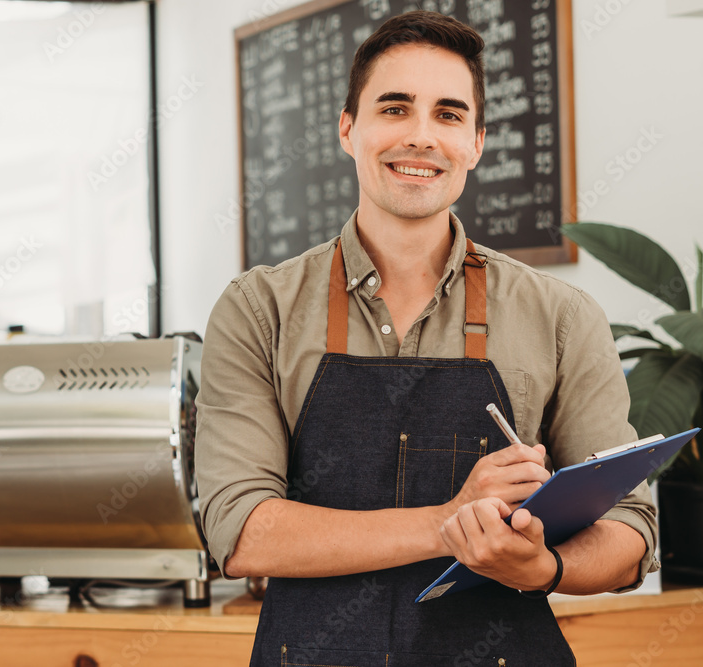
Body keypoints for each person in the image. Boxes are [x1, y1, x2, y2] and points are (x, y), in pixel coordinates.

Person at [195, 11, 657, 666]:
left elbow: (630, 531)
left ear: (475, 142)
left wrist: (542, 564)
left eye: (447, 114)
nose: (421, 136)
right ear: (348, 130)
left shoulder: (562, 316)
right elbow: (241, 531)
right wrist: (450, 519)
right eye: (395, 108)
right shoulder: (257, 310)